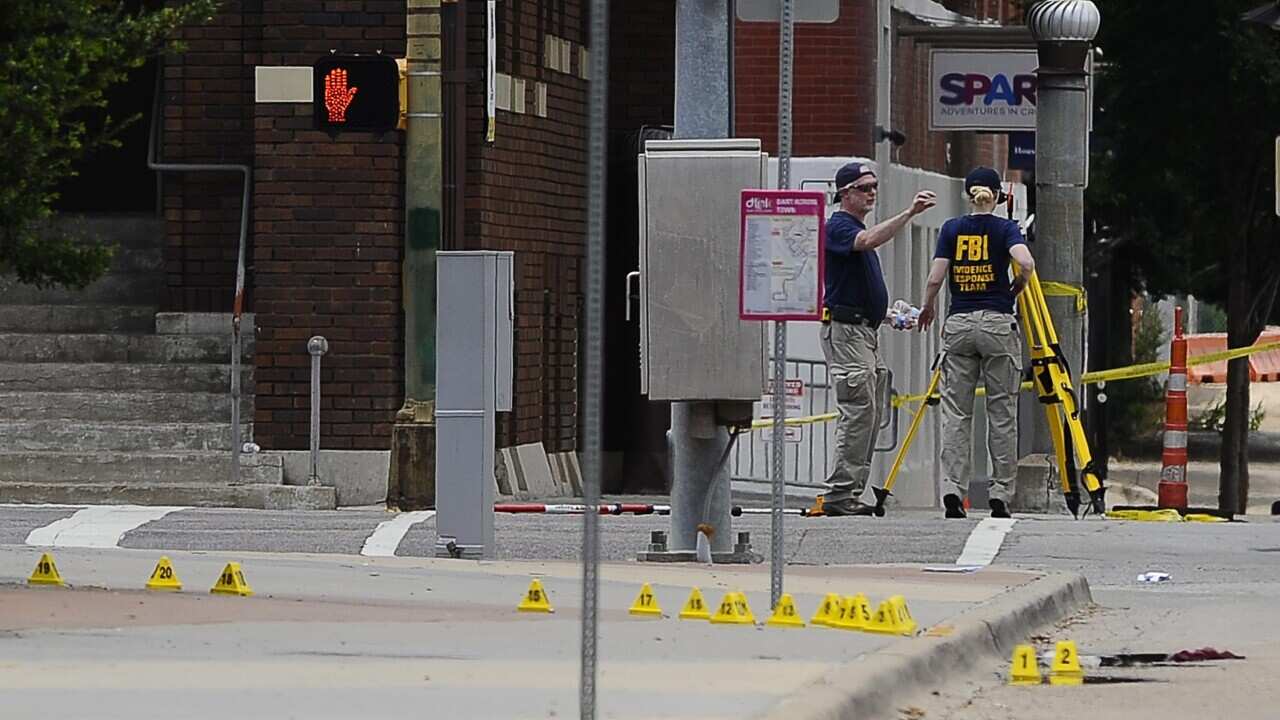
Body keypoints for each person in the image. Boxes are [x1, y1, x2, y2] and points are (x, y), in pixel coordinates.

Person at [820, 161, 937, 516]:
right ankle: (840, 495)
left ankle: (850, 491)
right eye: (863, 187)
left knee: (869, 412)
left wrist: (886, 316)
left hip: (863, 330)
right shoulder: (839, 227)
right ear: (845, 193)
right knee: (858, 411)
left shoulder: (852, 228)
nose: (871, 193)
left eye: (874, 187)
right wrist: (909, 213)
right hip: (848, 334)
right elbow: (868, 240)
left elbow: (850, 288)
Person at [918, 167, 1034, 519]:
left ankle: (954, 488)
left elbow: (936, 277)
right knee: (1002, 413)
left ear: (969, 195)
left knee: (956, 412)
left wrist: (927, 307)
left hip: (960, 323)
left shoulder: (952, 229)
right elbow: (1026, 261)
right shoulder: (1005, 228)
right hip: (998, 323)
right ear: (998, 196)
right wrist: (1019, 285)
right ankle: (1000, 492)